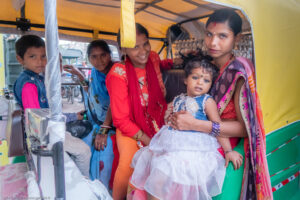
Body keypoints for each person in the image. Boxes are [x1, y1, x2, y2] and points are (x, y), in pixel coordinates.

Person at [170, 9, 272, 199]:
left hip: (227, 140)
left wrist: (196, 125)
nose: (213, 42)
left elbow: (246, 128)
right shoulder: (207, 66)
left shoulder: (238, 72)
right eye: (209, 34)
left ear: (237, 38)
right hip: (201, 136)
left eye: (222, 36)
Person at [130, 56, 243, 200]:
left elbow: (217, 127)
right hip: (172, 145)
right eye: (195, 77)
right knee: (156, 174)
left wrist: (228, 151)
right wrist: (167, 117)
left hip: (194, 148)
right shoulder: (178, 99)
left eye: (206, 80)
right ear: (185, 79)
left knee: (172, 173)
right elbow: (170, 118)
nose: (200, 82)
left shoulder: (207, 102)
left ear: (210, 85)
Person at [106, 23, 181, 200]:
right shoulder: (118, 74)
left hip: (159, 120)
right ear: (123, 49)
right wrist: (149, 141)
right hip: (131, 128)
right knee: (129, 165)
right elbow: (121, 120)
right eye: (135, 46)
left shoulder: (153, 58)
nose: (143, 51)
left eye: (145, 43)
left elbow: (160, 63)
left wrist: (173, 62)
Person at [13, 34, 91, 177]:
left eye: (43, 56)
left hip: (48, 130)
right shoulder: (29, 84)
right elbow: (37, 118)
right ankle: (84, 183)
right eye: (33, 57)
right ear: (20, 59)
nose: (40, 62)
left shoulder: (37, 78)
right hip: (45, 136)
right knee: (84, 151)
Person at [63, 40, 117, 190]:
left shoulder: (116, 72)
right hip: (97, 124)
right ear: (88, 58)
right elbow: (91, 92)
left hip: (111, 127)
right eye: (94, 57)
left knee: (102, 157)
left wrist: (104, 130)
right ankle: (86, 189)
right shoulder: (95, 72)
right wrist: (79, 75)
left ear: (110, 55)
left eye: (103, 55)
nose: (99, 61)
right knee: (83, 153)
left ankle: (102, 191)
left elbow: (115, 101)